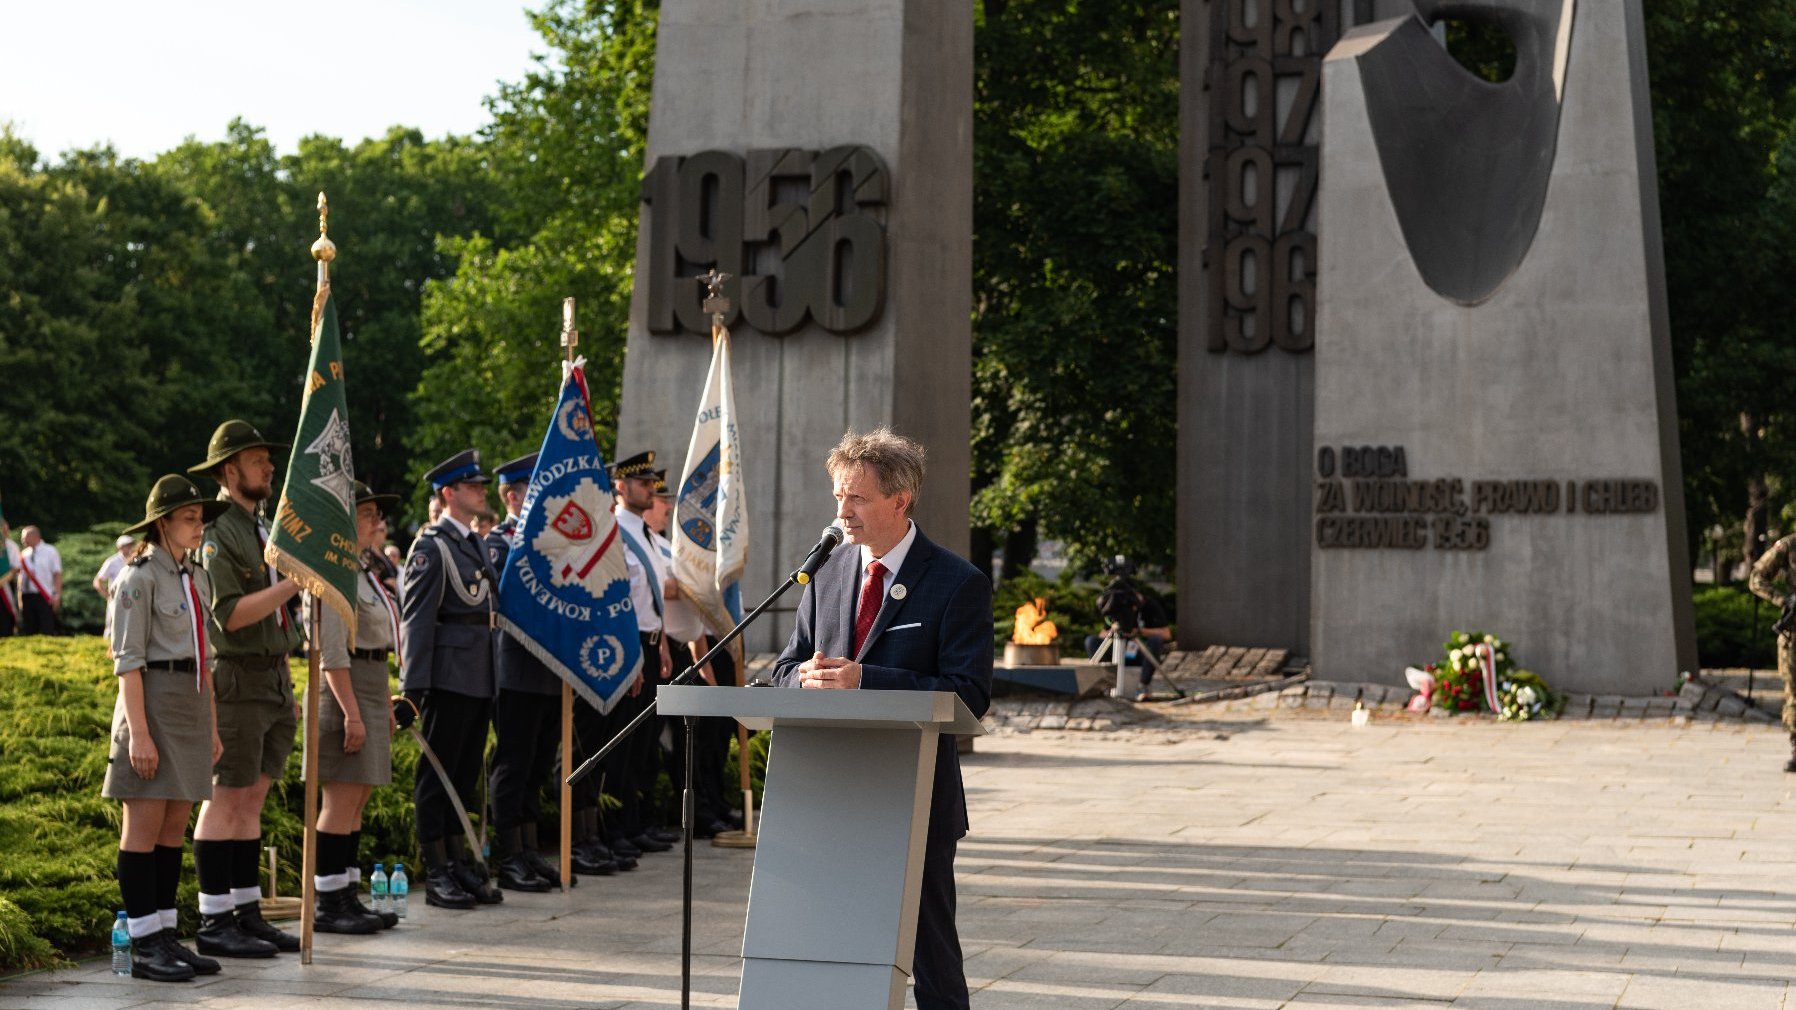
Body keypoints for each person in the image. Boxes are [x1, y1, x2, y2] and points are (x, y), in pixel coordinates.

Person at [772, 428, 992, 1010]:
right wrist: (803, 678)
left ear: (900, 500)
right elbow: (786, 666)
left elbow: (969, 691)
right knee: (832, 941)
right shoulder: (827, 571)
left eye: (857, 498)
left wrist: (866, 680)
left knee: (931, 951)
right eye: (838, 498)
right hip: (831, 793)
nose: (842, 512)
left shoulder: (957, 584)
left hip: (914, 797)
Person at [104, 475, 229, 981]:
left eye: (200, 518)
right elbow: (128, 662)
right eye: (189, 519)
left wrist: (213, 727)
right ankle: (142, 942)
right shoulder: (138, 577)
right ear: (163, 524)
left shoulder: (194, 576)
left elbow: (206, 658)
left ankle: (166, 935)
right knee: (145, 823)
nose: (199, 527)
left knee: (175, 823)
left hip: (191, 704)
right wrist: (139, 733)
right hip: (152, 702)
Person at [187, 420, 303, 958]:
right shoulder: (220, 532)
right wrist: (290, 584)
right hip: (237, 679)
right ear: (229, 471)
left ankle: (246, 911)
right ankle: (214, 920)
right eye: (259, 462)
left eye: (268, 461)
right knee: (226, 797)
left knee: (252, 799)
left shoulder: (260, 526)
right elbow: (229, 615)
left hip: (272, 676)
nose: (270, 468)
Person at [399, 449, 503, 909]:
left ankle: (457, 860)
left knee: (462, 775)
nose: (481, 491)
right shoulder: (431, 547)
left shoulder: (473, 543)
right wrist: (413, 690)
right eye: (472, 485)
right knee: (436, 776)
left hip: (478, 673)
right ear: (449, 493)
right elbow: (417, 622)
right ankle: (437, 869)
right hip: (446, 676)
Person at [483, 451, 589, 891]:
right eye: (533, 489)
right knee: (514, 762)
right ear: (512, 496)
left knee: (539, 763)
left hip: (551, 671)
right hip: (516, 670)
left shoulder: (554, 542)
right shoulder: (499, 542)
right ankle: (508, 854)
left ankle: (527, 850)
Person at [310, 482, 404, 934]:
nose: (378, 522)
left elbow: (379, 645)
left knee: (359, 796)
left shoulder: (365, 569)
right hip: (344, 687)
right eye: (368, 514)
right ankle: (329, 902)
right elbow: (331, 651)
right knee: (341, 795)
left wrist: (382, 701)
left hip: (369, 681)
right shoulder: (336, 571)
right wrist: (350, 712)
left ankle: (347, 893)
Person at [649, 471, 734, 838]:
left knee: (695, 741)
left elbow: (690, 609)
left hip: (687, 650)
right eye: (660, 499)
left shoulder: (664, 546)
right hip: (660, 648)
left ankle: (705, 809)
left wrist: (704, 667)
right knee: (663, 743)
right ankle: (657, 818)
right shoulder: (639, 544)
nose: (667, 507)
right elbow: (662, 593)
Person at [603, 451, 677, 856]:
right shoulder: (614, 531)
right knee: (622, 743)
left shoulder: (649, 536)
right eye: (643, 482)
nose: (651, 488)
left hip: (650, 646)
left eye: (652, 483)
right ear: (621, 486)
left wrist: (662, 642)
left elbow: (649, 598)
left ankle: (635, 824)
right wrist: (634, 655)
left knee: (644, 743)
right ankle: (614, 830)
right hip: (627, 649)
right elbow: (617, 600)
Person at [1751, 535, 1796, 771]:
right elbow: (1757, 578)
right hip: (1794, 635)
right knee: (1794, 694)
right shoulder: (1789, 546)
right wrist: (1784, 600)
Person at [18, 525, 62, 634]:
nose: (22, 540)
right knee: (29, 629)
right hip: (27, 596)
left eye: (25, 537)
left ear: (35, 536)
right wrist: (19, 597)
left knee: (46, 628)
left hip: (44, 596)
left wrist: (57, 595)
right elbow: (21, 576)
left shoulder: (50, 551)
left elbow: (57, 574)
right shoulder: (24, 554)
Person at [0, 522, 19, 637]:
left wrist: (2, 582)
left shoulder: (10, 546)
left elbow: (15, 568)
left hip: (5, 585)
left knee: (5, 617)